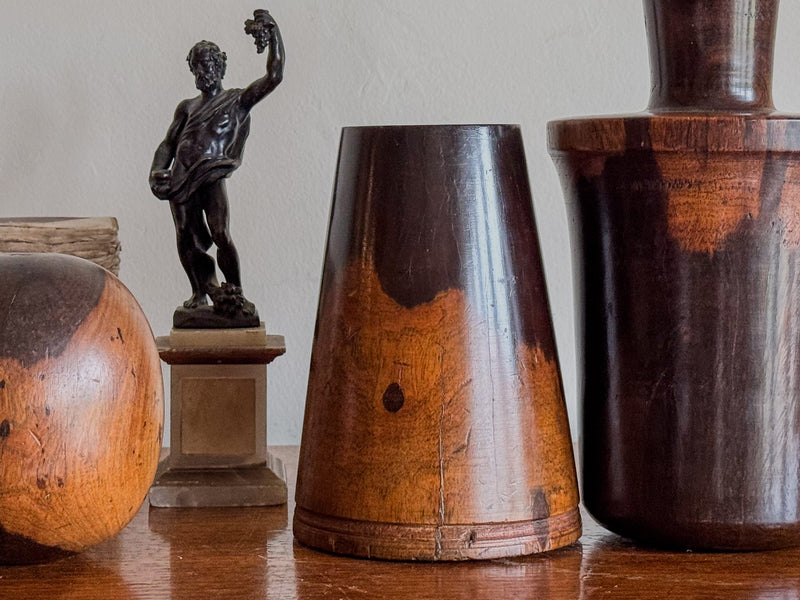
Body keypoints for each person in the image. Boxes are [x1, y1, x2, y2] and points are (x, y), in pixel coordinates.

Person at [149, 10, 284, 313]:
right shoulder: (186, 107)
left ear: (221, 66)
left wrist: (273, 34)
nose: (202, 71)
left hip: (211, 174)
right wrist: (156, 170)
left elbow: (274, 77)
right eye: (197, 66)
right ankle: (199, 291)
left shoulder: (237, 101)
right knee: (185, 237)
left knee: (220, 232)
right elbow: (168, 144)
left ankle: (235, 289)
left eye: (208, 64)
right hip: (180, 180)